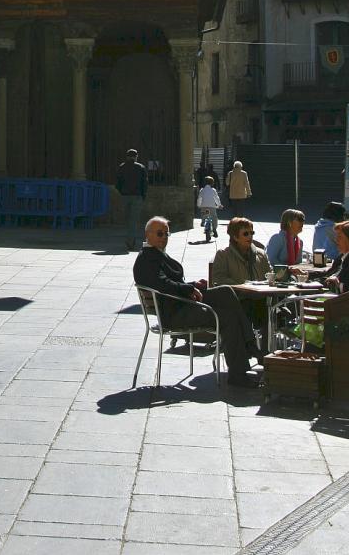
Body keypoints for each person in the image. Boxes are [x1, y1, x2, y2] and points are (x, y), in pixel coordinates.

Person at [133, 215, 262, 387]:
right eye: (159, 234)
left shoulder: (155, 254)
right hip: (174, 314)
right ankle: (238, 373)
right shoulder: (146, 259)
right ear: (147, 235)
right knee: (228, 318)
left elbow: (170, 283)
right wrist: (189, 289)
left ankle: (250, 342)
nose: (164, 237)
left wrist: (193, 285)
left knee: (225, 292)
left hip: (181, 303)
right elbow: (163, 284)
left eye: (166, 234)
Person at [213, 217, 271, 285]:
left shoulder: (261, 254)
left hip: (260, 291)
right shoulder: (223, 255)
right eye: (246, 234)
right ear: (235, 237)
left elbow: (270, 276)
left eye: (252, 233)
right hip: (236, 291)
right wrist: (242, 286)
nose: (250, 236)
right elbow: (219, 279)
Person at [116, 148, 146, 244]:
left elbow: (118, 183)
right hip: (137, 196)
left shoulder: (122, 167)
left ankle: (130, 238)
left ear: (127, 157)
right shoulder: (141, 167)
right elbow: (144, 184)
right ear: (136, 157)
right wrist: (143, 195)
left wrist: (122, 192)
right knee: (134, 219)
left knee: (127, 218)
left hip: (125, 196)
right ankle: (130, 240)